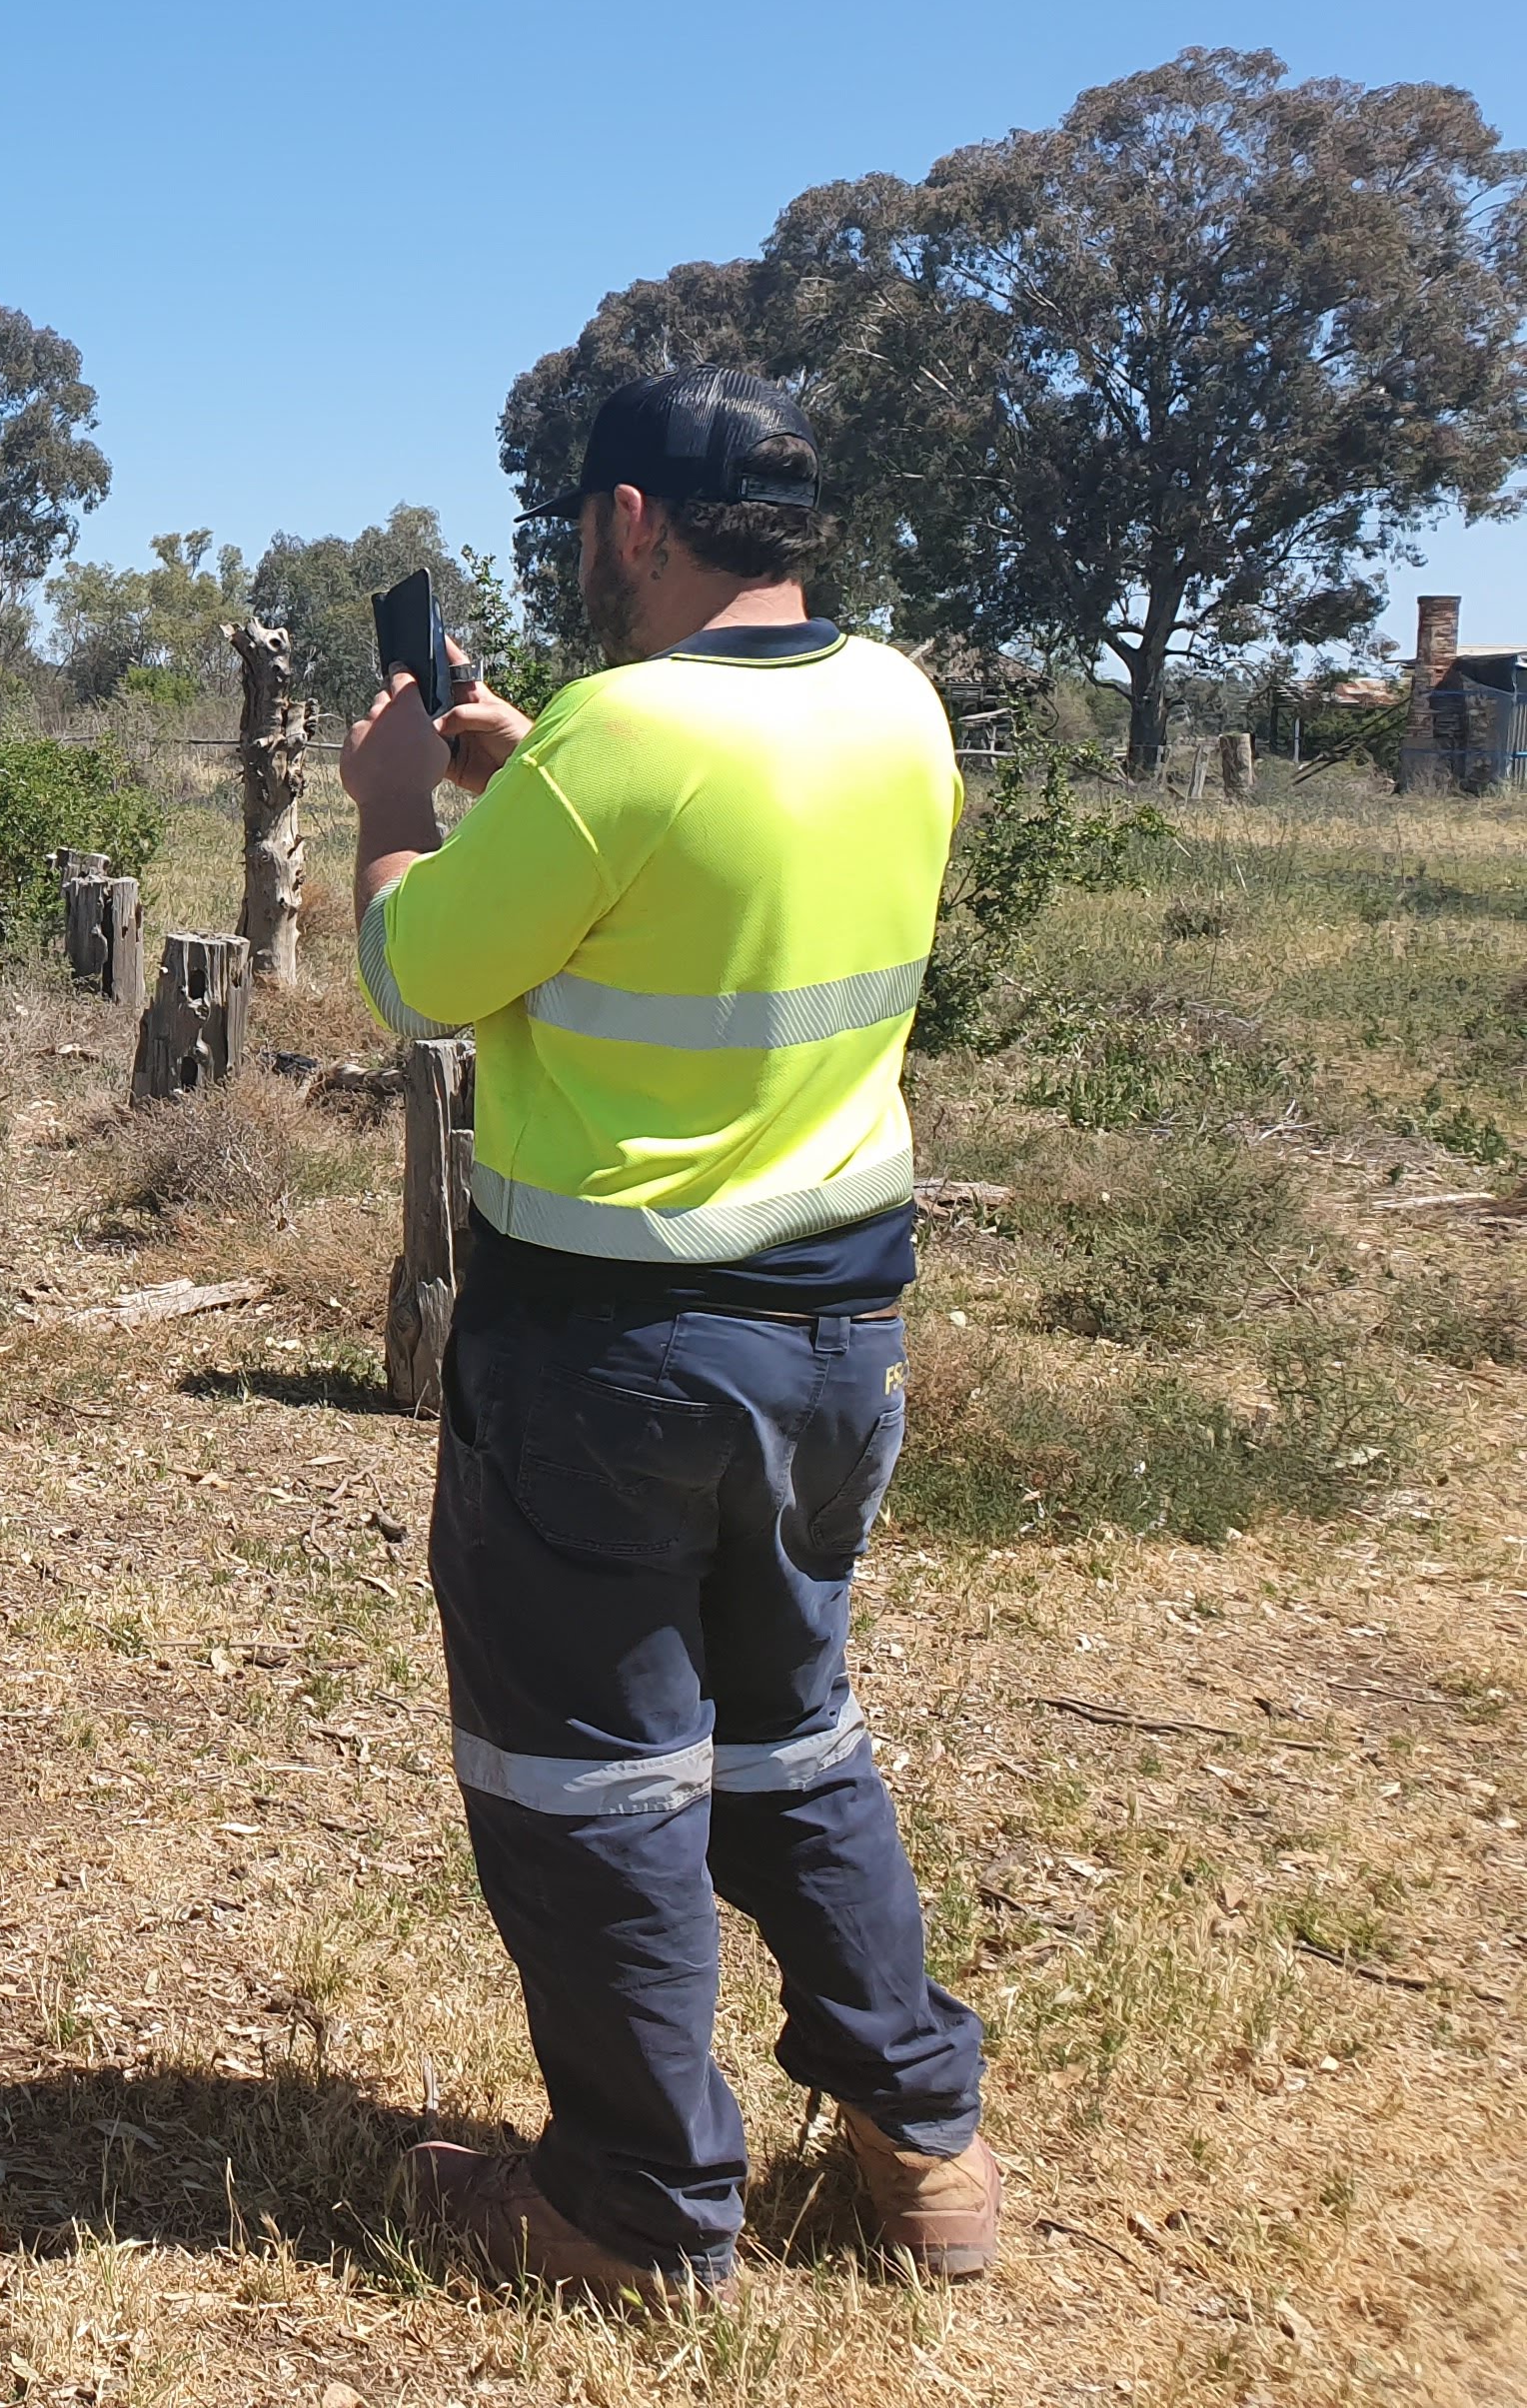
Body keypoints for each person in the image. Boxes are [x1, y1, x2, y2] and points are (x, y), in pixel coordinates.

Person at [341, 369, 998, 2300]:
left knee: (589, 1774)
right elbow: (697, 866)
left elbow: (417, 971)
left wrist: (399, 814)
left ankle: (636, 2205)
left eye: (580, 518)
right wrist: (526, 768)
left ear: (630, 518)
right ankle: (919, 2142)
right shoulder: (896, 704)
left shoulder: (612, 742)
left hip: (609, 1349)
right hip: (835, 1332)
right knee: (793, 1728)